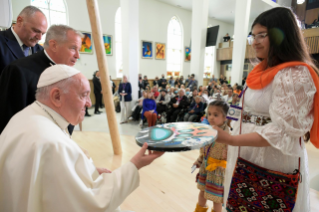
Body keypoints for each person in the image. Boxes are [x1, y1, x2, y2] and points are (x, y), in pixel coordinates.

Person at [0, 65, 164, 212]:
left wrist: (87, 171)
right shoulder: (51, 143)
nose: (89, 103)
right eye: (84, 95)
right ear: (57, 96)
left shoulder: (27, 116)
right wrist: (136, 163)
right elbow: (92, 204)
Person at [214, 8, 319, 211]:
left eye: (262, 35)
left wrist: (232, 140)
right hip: (245, 152)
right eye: (253, 35)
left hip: (274, 159)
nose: (255, 41)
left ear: (283, 35)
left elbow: (283, 132)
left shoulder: (295, 74)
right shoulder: (259, 70)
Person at [0, 25, 82, 134]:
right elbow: (9, 121)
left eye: (78, 50)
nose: (78, 55)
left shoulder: (69, 72)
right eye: (73, 48)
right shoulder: (19, 70)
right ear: (54, 45)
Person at [193, 101, 229, 212]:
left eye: (216, 115)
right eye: (209, 114)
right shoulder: (208, 130)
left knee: (216, 198)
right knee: (202, 192)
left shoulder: (227, 135)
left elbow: (231, 154)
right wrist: (198, 161)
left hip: (217, 172)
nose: (211, 117)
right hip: (205, 168)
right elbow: (204, 150)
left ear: (224, 117)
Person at [0, 6, 47, 75]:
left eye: (42, 33)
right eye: (36, 31)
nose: (40, 38)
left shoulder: (41, 51)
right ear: (19, 21)